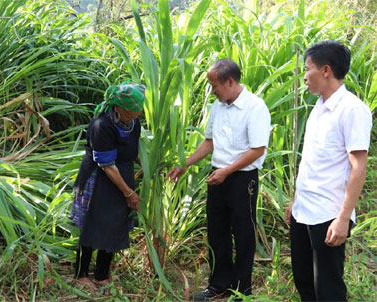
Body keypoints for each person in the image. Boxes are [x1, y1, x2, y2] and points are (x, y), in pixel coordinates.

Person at [167, 59, 271, 300]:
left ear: (230, 81)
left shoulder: (255, 107)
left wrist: (228, 171)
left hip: (243, 179)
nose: (212, 90)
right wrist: (185, 164)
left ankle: (241, 290)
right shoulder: (218, 106)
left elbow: (257, 150)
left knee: (243, 234)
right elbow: (209, 141)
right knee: (217, 231)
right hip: (218, 176)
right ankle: (218, 286)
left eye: (214, 85)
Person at [285, 40, 373, 301]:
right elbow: (314, 161)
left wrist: (343, 218)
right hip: (304, 210)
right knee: (304, 280)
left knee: (328, 288)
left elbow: (358, 168)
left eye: (307, 68)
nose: (304, 76)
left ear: (325, 70)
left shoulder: (352, 109)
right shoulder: (319, 107)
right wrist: (296, 200)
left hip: (328, 214)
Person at [70, 82, 146, 290]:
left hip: (121, 174)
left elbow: (133, 151)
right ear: (117, 108)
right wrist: (129, 193)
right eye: (130, 113)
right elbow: (107, 165)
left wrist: (150, 166)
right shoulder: (101, 125)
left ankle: (102, 274)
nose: (133, 117)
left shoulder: (133, 123)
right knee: (92, 223)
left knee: (116, 222)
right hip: (99, 176)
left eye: (136, 114)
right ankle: (81, 273)